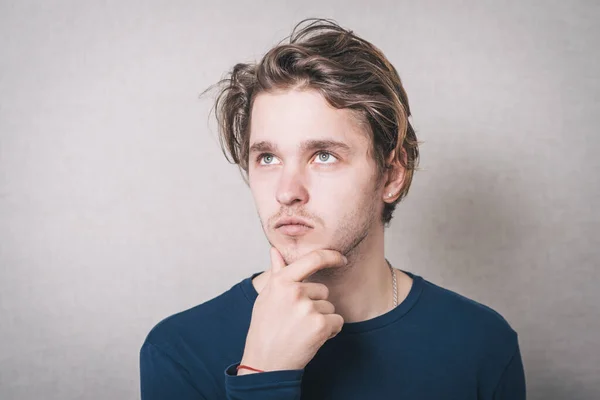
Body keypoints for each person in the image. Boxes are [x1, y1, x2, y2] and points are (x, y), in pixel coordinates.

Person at [139, 18, 526, 399]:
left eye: (323, 156)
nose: (287, 193)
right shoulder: (178, 351)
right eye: (268, 158)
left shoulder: (481, 343)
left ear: (391, 175)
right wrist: (261, 374)